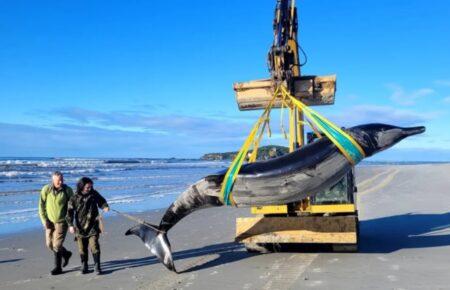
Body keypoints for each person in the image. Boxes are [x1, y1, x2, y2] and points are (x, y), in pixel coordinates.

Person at [66, 177, 109, 274]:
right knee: (82, 248)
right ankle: (84, 265)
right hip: (80, 228)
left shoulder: (94, 194)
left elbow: (101, 201)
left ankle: (97, 266)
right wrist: (70, 225)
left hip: (93, 225)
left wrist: (105, 206)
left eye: (91, 187)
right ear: (81, 187)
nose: (90, 189)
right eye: (87, 187)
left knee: (94, 245)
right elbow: (69, 212)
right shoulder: (74, 197)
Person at [38, 171, 74, 275]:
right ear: (53, 180)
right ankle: (66, 254)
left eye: (62, 179)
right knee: (49, 244)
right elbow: (41, 206)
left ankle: (58, 268)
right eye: (58, 180)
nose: (61, 182)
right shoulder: (46, 189)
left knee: (57, 245)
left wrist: (71, 223)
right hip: (49, 222)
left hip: (62, 222)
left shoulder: (67, 190)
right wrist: (44, 221)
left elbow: (71, 208)